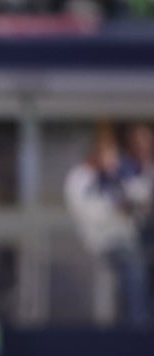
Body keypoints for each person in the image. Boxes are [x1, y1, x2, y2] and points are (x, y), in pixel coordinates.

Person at [64, 133, 150, 328]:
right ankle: (138, 322)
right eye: (109, 155)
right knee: (133, 265)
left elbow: (139, 193)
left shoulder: (115, 174)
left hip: (126, 236)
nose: (114, 159)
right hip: (103, 239)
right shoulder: (80, 178)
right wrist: (116, 208)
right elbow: (89, 212)